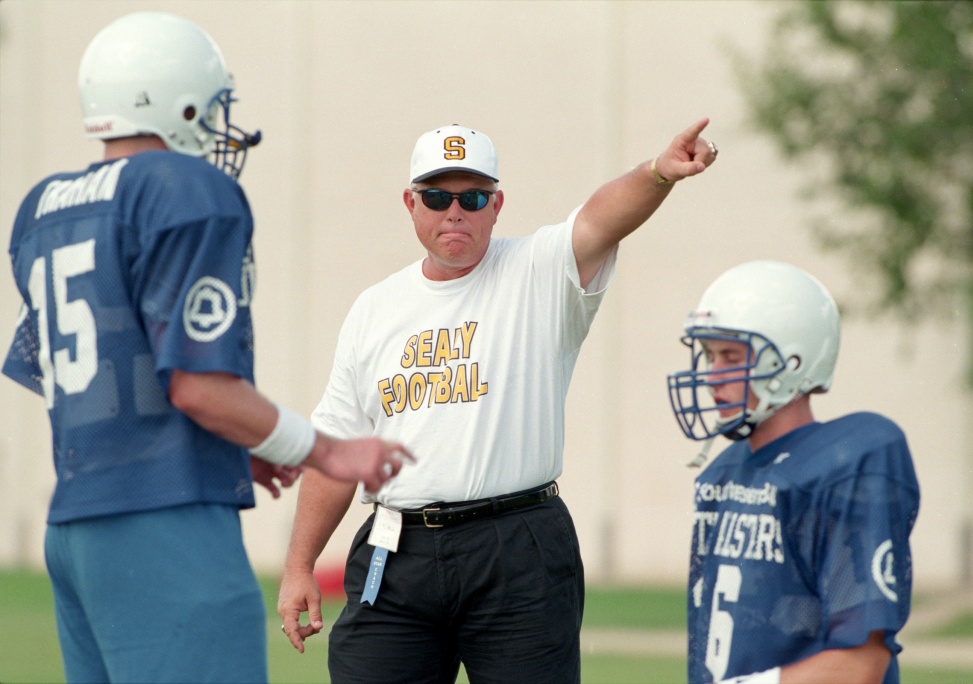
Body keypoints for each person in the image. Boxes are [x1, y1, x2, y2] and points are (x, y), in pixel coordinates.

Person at [1, 12, 410, 684]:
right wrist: (326, 450)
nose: (220, 121)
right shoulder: (185, 191)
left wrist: (221, 443)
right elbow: (196, 385)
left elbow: (95, 382)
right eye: (213, 104)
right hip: (164, 528)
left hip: (75, 531)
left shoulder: (45, 207)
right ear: (178, 99)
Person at [275, 120, 718, 682]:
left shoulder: (537, 271)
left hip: (518, 545)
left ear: (497, 204)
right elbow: (338, 446)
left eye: (472, 196)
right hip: (396, 547)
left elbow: (602, 217)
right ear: (411, 203)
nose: (454, 211)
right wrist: (298, 566)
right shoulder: (375, 308)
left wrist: (658, 173)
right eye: (437, 196)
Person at [666, 260, 920, 684]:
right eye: (710, 356)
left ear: (793, 360)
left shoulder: (850, 461)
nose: (712, 377)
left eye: (730, 356)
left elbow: (861, 665)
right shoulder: (722, 475)